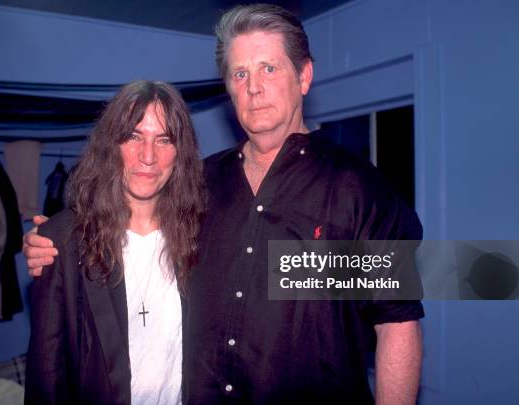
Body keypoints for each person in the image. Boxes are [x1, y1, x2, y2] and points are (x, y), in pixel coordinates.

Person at [24, 4, 423, 404]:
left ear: (304, 76)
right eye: (240, 73)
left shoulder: (357, 190)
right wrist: (52, 242)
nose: (253, 87)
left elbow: (397, 323)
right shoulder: (199, 185)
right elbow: (129, 218)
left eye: (269, 68)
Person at [24, 80, 204, 404]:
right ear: (111, 144)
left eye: (163, 140)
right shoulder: (63, 242)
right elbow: (47, 373)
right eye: (134, 136)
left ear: (180, 153)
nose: (147, 156)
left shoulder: (203, 235)